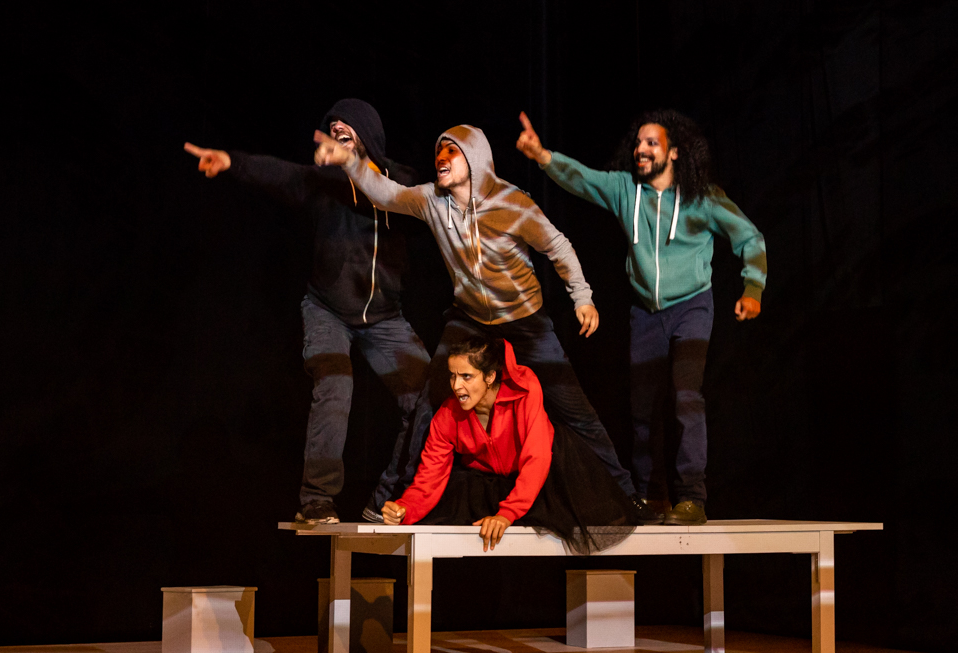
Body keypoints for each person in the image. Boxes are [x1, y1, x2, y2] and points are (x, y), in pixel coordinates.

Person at [312, 124, 661, 524]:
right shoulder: (432, 201)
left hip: (525, 319)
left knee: (575, 410)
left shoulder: (512, 203)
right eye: (438, 152)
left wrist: (582, 297)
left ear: (475, 160)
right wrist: (350, 161)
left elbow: (557, 245)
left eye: (452, 153)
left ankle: (628, 494)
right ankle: (392, 502)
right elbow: (386, 193)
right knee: (429, 402)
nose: (441, 159)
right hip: (470, 317)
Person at [516, 110, 768, 525]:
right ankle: (653, 497)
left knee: (686, 397)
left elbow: (749, 236)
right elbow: (582, 179)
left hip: (692, 306)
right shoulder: (624, 190)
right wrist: (542, 155)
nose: (641, 150)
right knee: (643, 407)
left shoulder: (701, 197)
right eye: (638, 143)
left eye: (652, 143)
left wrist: (752, 289)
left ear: (673, 152)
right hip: (645, 313)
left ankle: (692, 498)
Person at [184, 99, 430, 524]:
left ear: (367, 136)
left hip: (385, 317)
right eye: (331, 132)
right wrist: (232, 162)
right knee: (335, 388)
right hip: (327, 311)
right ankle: (317, 500)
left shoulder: (401, 180)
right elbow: (281, 173)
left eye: (346, 131)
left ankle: (388, 499)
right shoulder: (320, 181)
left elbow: (409, 205)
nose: (336, 137)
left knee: (428, 396)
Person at [382, 336, 637, 554]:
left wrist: (507, 514)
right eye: (453, 376)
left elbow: (536, 457)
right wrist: (405, 509)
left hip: (545, 476)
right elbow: (430, 477)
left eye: (467, 376)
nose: (456, 385)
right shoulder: (447, 417)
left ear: (490, 376)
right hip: (493, 483)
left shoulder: (525, 389)